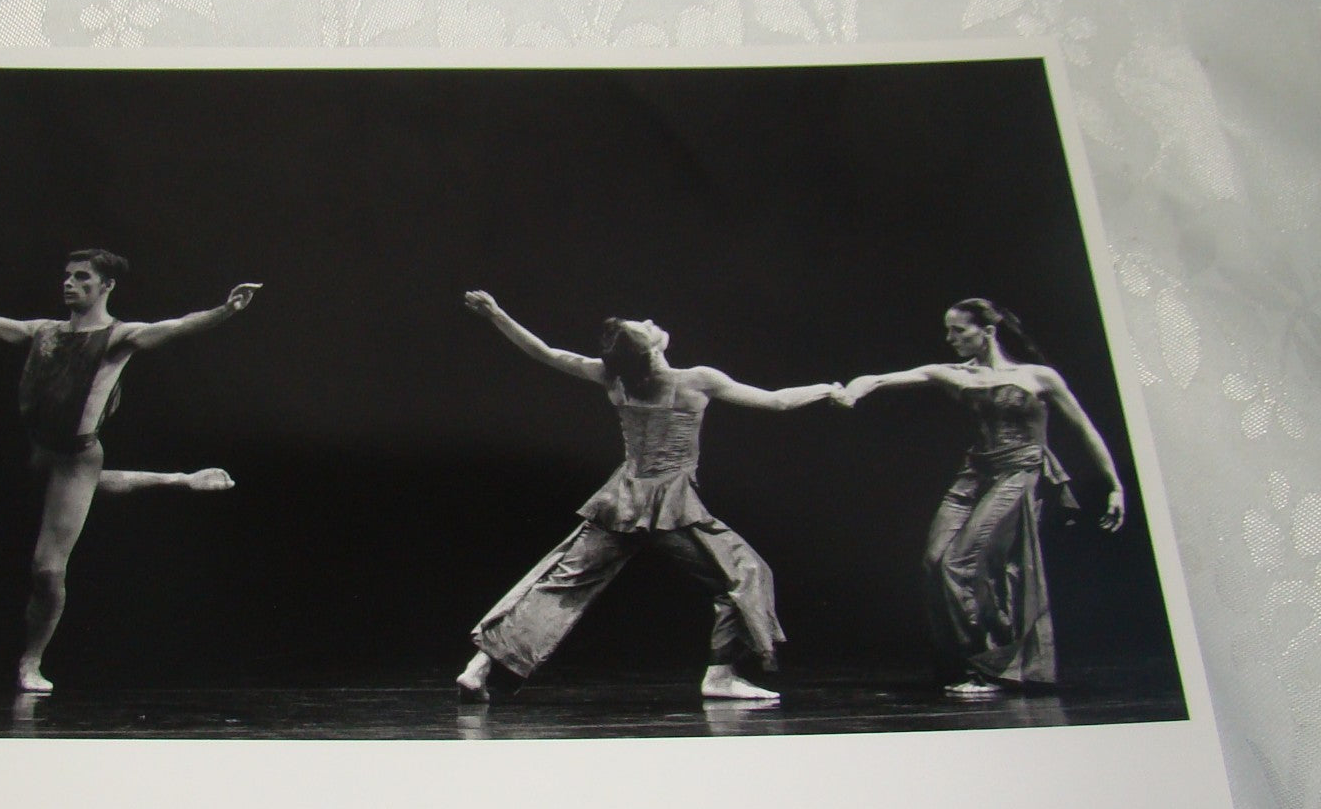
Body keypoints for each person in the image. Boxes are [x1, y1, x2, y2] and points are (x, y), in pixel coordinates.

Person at [456, 290, 841, 703]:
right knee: (746, 572)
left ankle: (479, 666)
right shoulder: (696, 380)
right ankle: (721, 675)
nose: (654, 324)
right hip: (671, 507)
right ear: (653, 351)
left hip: (621, 503)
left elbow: (547, 353)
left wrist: (497, 315)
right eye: (648, 329)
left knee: (560, 582)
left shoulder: (613, 378)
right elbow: (778, 402)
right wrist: (828, 389)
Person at [0, 249, 260, 692]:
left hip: (76, 458)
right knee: (64, 501)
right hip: (36, 454)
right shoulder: (44, 331)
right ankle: (179, 479)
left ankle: (30, 663)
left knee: (47, 570)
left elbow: (174, 328)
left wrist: (225, 310)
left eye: (82, 278)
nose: (69, 284)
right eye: (68, 276)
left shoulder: (117, 337)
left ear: (106, 286)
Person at [838, 298, 1124, 694]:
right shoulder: (954, 374)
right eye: (948, 330)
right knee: (934, 561)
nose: (950, 338)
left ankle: (986, 669)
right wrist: (854, 390)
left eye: (959, 330)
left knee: (960, 562)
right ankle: (965, 662)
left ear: (987, 331)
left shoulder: (1039, 377)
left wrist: (1115, 485)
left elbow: (1086, 429)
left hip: (1019, 471)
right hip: (975, 474)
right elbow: (881, 378)